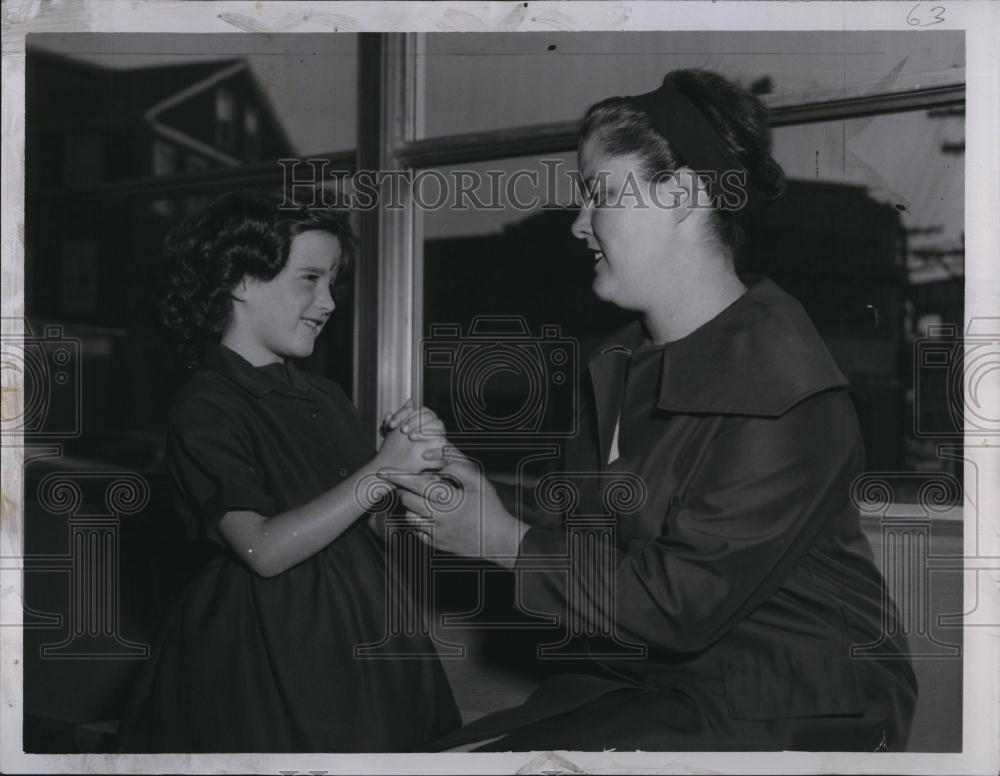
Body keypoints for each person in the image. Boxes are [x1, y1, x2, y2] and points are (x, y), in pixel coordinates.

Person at [382, 69, 918, 752]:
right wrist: (480, 502)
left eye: (600, 194)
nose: (580, 225)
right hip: (659, 678)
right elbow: (593, 553)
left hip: (793, 699)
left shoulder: (784, 382)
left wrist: (499, 539)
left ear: (686, 195)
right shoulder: (619, 364)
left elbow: (679, 603)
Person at [115, 191, 461, 752]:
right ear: (241, 282)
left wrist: (415, 465)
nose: (327, 302)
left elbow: (369, 522)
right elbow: (263, 550)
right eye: (309, 279)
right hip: (265, 652)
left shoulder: (324, 395)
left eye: (331, 283)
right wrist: (380, 470)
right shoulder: (206, 404)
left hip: (365, 629)